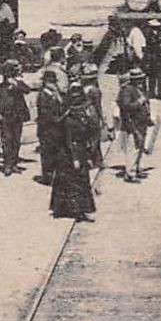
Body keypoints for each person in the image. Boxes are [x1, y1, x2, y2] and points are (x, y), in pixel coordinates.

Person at [51, 86, 99, 222]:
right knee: (75, 183)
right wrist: (75, 159)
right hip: (70, 154)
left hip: (79, 151)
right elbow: (70, 140)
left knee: (77, 181)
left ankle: (71, 209)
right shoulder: (69, 119)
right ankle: (77, 211)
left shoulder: (77, 116)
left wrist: (89, 154)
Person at [0, 60, 31, 175]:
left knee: (16, 141)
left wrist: (17, 84)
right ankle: (7, 165)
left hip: (17, 117)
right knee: (7, 141)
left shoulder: (18, 86)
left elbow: (27, 90)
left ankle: (14, 164)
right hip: (5, 118)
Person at [115, 66, 154, 182]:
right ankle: (130, 173)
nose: (141, 80)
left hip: (141, 122)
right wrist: (139, 102)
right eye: (139, 79)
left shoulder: (138, 89)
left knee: (140, 147)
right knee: (133, 148)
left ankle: (136, 168)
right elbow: (126, 107)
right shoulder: (127, 90)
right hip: (132, 124)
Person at [34, 70, 66, 185]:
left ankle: (55, 176)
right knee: (47, 153)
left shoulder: (55, 94)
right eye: (52, 82)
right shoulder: (43, 95)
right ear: (46, 82)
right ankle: (47, 177)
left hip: (56, 128)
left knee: (56, 152)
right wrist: (57, 119)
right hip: (46, 129)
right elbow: (44, 113)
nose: (54, 84)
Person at [142, 18, 161, 99]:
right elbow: (154, 47)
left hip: (152, 58)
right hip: (155, 58)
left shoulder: (151, 34)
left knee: (152, 76)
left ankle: (152, 93)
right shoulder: (152, 35)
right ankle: (160, 94)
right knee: (160, 76)